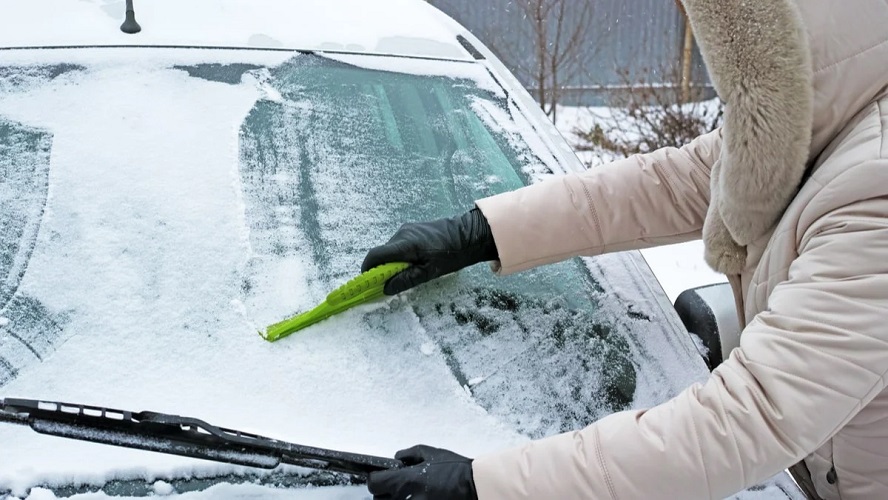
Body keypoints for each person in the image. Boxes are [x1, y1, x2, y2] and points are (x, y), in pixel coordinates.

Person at [363, 0, 888, 498]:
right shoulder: (818, 124)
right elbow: (668, 183)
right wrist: (481, 232)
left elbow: (749, 418)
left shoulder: (873, 192)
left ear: (766, 42)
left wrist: (489, 484)